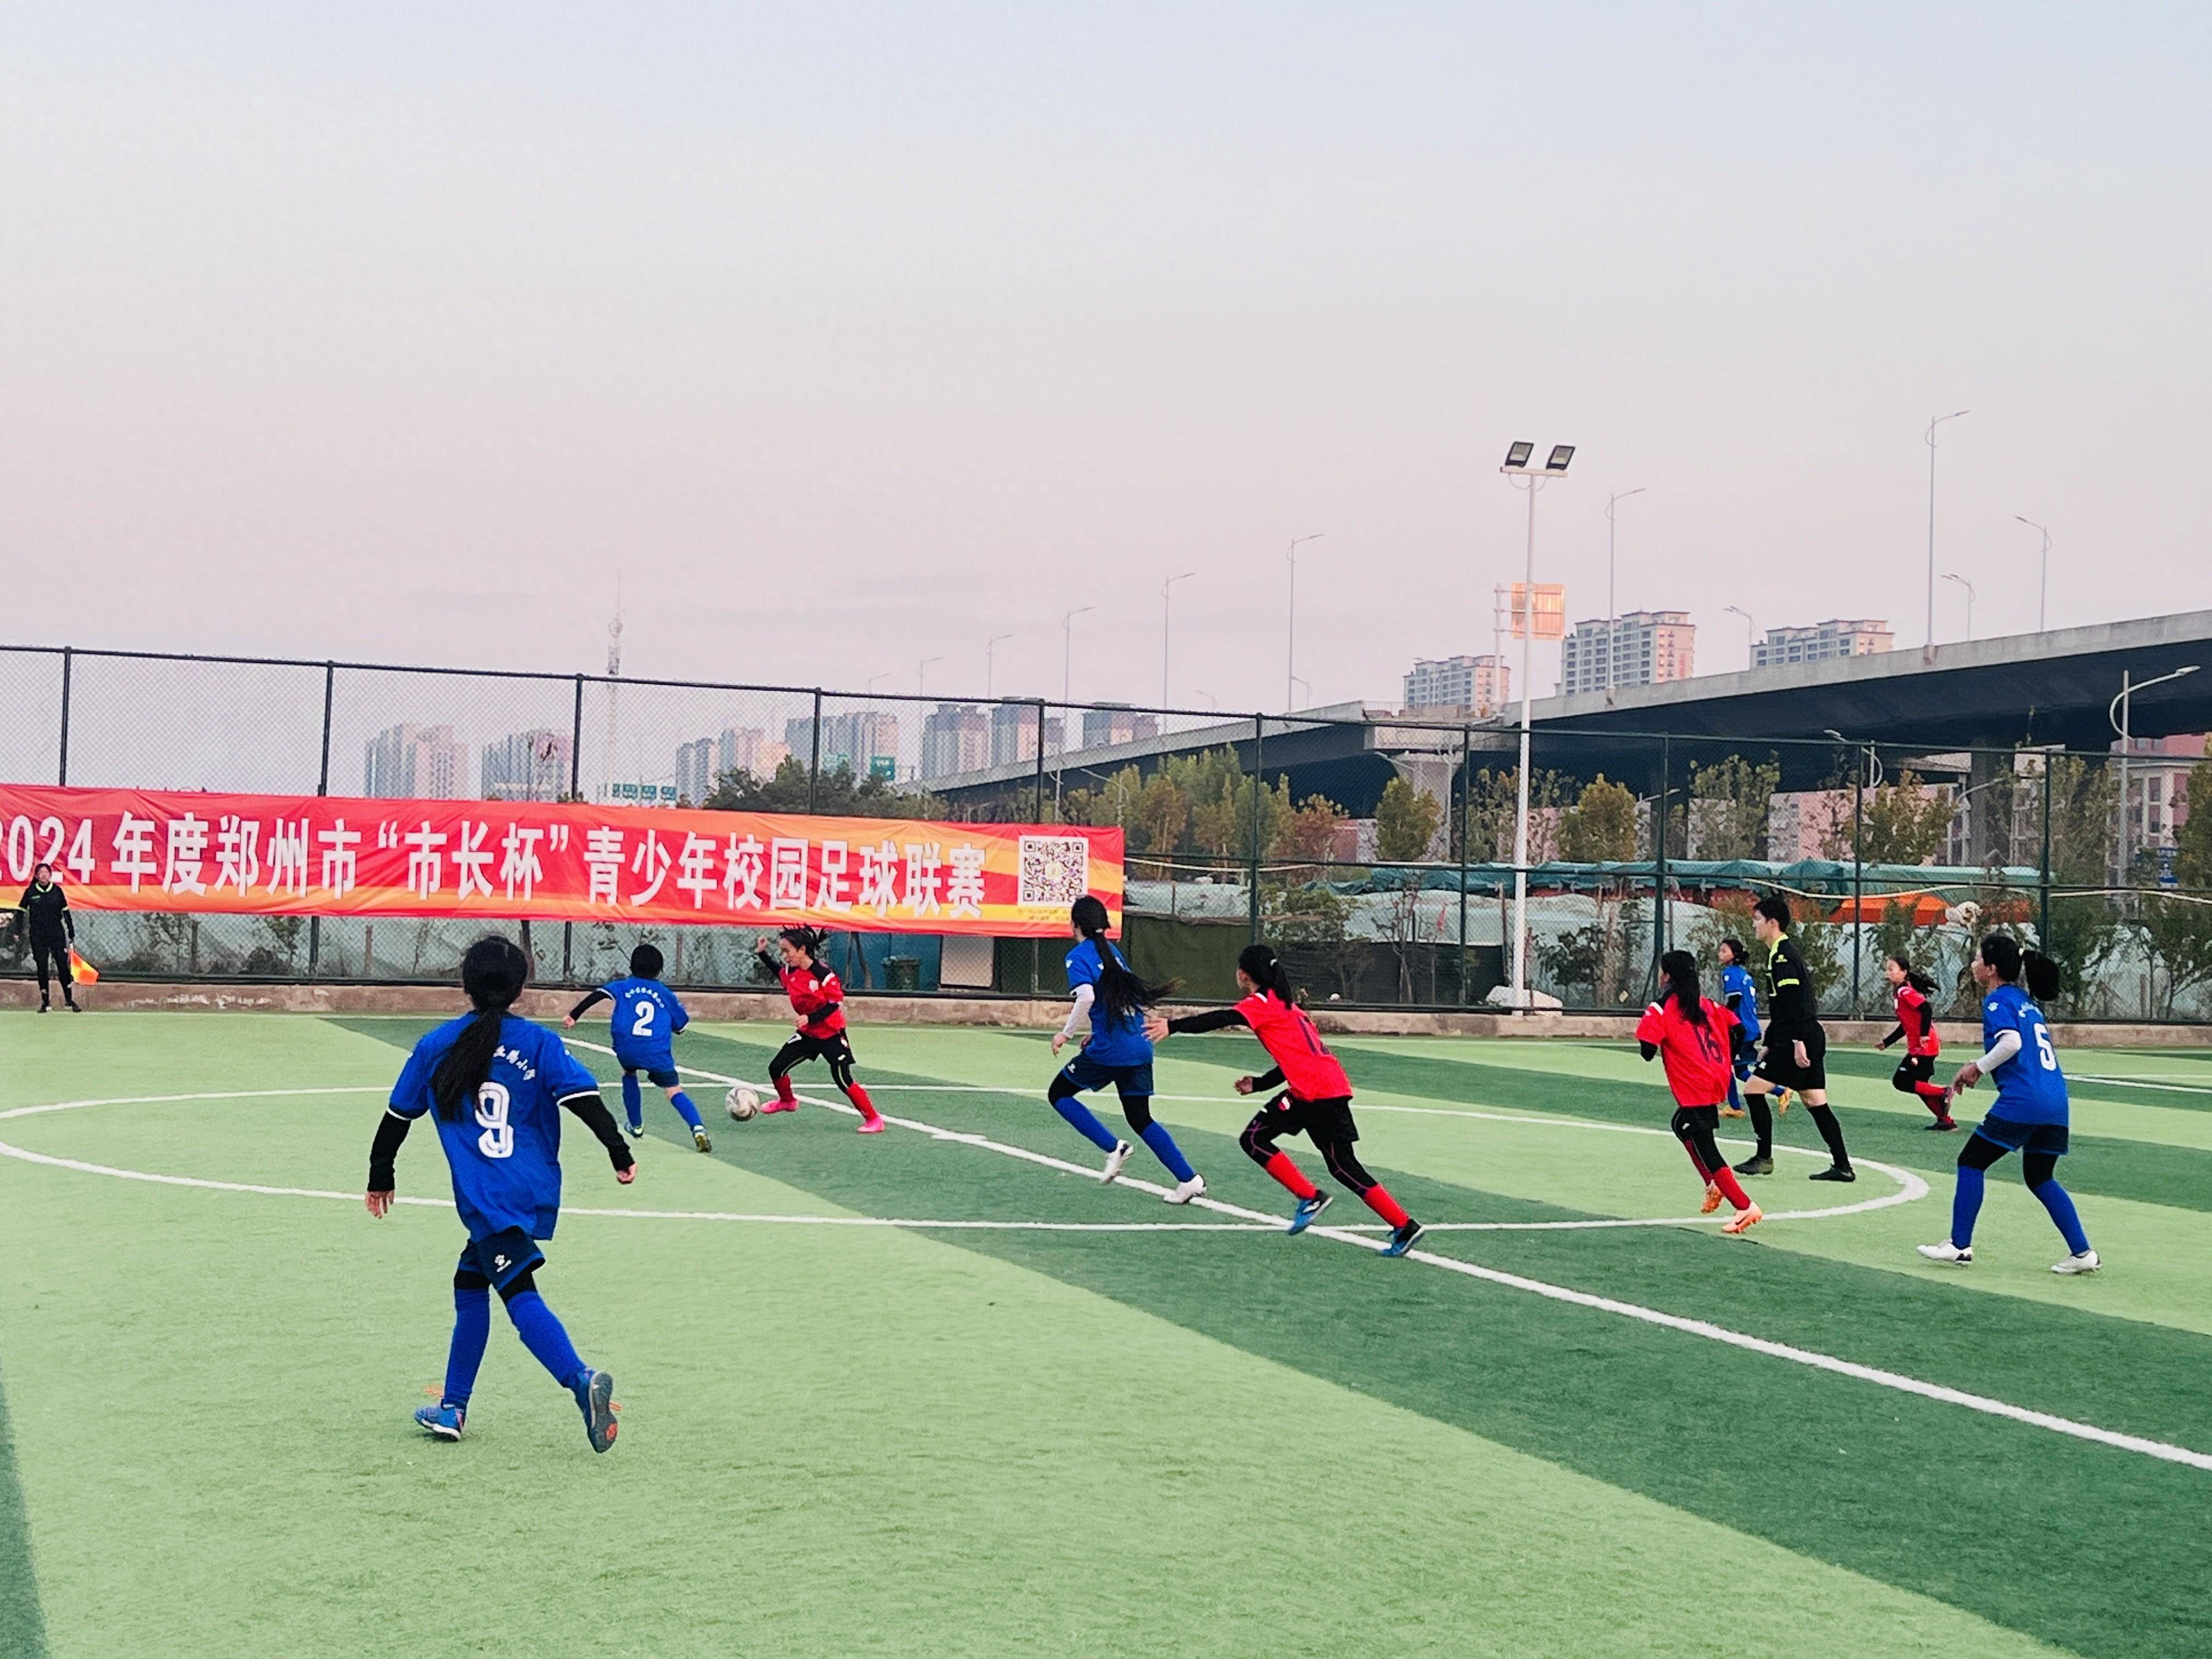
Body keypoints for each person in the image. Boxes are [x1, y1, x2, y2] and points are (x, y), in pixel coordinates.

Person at [366, 936, 635, 1452]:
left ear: (465, 985)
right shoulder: (538, 1043)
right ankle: (453, 1407)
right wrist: (618, 1151)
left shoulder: (437, 1044)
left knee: (518, 1292)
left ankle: (581, 1381)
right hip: (525, 1187)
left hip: (489, 1198)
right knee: (470, 1285)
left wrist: (381, 1172)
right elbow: (584, 1098)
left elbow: (397, 1115)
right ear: (520, 989)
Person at [1146, 942, 1423, 1257]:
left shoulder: (1262, 1002)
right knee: (1342, 1165)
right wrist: (1260, 1084)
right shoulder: (1286, 1005)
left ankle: (1311, 1197)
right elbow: (1295, 1058)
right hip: (1326, 1087)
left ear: (1244, 974)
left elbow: (1222, 1018)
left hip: (1314, 1092)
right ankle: (1403, 1226)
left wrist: (1173, 1026)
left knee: (1255, 1139)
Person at [1917, 935, 2099, 1274]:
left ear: (1991, 969)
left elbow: (2012, 1043)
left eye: (1977, 959)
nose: (1973, 964)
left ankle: (1959, 1245)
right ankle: (2082, 1252)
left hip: (2025, 1101)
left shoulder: (1998, 1001)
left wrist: (1978, 1067)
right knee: (2040, 1176)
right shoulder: (2027, 1003)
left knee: (1971, 1162)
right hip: (2056, 1102)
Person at [1048, 895, 1204, 1203]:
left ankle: (1113, 1148)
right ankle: (1190, 1180)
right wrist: (1097, 1032)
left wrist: (1066, 1034)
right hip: (1138, 1044)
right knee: (1140, 1117)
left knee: (1059, 1094)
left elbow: (1087, 998)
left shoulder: (1078, 957)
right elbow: (1122, 1001)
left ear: (1075, 924)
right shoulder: (1113, 953)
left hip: (1113, 1049)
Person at [1730, 895, 1855, 1183]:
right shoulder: (1778, 953)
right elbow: (1782, 1007)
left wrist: (1797, 1041)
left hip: (1797, 1037)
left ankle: (1763, 1158)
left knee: (1752, 1090)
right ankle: (1843, 1166)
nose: (1754, 925)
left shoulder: (1783, 956)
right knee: (1814, 1100)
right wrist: (1769, 1043)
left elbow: (1795, 1000)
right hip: (1800, 1034)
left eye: (1757, 919)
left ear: (1772, 923)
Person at [1638, 952, 1764, 1235]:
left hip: (1695, 1082)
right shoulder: (1706, 1004)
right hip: (1715, 1076)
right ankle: (1713, 1184)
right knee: (1681, 1124)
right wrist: (1725, 1055)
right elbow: (1738, 1028)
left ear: (1667, 976)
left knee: (1706, 1146)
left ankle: (1744, 1206)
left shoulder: (1662, 1007)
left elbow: (1647, 1051)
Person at [564, 943, 711, 1151]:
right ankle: (698, 1129)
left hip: (627, 1048)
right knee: (673, 1090)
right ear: (660, 970)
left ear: (631, 966)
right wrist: (675, 1028)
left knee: (629, 1073)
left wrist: (574, 1015)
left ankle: (636, 1126)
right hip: (657, 1053)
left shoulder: (622, 986)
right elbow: (681, 1024)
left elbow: (598, 995)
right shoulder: (664, 993)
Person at [751, 927, 884, 1132]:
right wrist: (762, 954)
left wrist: (809, 1018)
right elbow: (778, 971)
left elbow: (834, 1004)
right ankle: (787, 1101)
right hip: (808, 1034)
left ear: (802, 950)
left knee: (843, 1079)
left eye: (787, 951)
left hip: (831, 1034)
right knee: (776, 1068)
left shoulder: (823, 974)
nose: (784, 956)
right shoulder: (791, 972)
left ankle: (874, 1119)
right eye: (782, 951)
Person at [1877, 953, 1954, 1130]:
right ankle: (1946, 1122)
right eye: (1887, 969)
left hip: (1923, 1048)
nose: (1888, 972)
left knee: (1902, 1081)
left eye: (1892, 969)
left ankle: (1944, 1092)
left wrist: (1924, 1034)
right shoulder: (1899, 993)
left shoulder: (1905, 992)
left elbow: (1926, 1008)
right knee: (1921, 1088)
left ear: (1904, 972)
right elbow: (1906, 1025)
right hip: (1920, 1047)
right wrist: (1887, 1042)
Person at [1716, 937, 1781, 1118]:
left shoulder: (1730, 973)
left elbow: (1734, 999)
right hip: (1750, 1026)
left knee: (1725, 1066)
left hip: (1740, 1029)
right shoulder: (1743, 973)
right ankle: (1780, 1092)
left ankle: (1735, 1107)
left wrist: (1720, 1017)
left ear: (1734, 955)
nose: (1720, 953)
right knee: (1741, 1071)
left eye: (1724, 950)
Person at [10, 862, 80, 1013]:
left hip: (56, 934)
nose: (44, 875)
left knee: (63, 966)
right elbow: (21, 912)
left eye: (46, 872)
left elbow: (66, 913)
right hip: (38, 935)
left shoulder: (57, 891)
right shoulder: (30, 892)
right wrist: (17, 931)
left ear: (50, 875)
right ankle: (45, 1002)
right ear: (36, 876)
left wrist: (71, 931)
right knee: (42, 967)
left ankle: (69, 1000)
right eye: (41, 873)